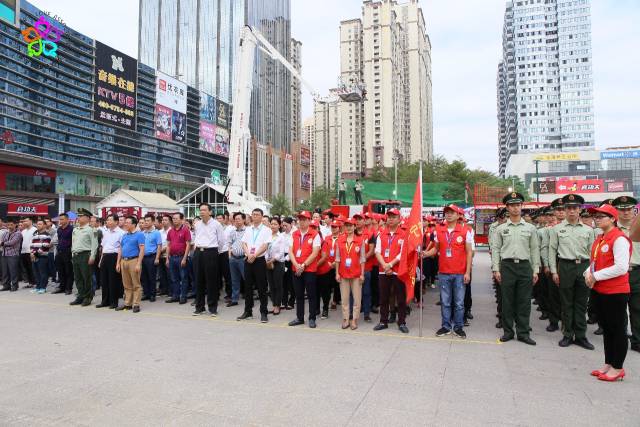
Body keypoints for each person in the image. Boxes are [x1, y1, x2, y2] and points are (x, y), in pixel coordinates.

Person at [586, 204, 631, 381]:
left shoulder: (618, 239)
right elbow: (595, 262)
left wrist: (595, 275)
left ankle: (618, 367)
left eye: (601, 216)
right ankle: (608, 363)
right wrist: (588, 273)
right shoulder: (600, 238)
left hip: (615, 291)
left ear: (612, 219)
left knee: (618, 329)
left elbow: (621, 267)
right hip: (600, 289)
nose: (597, 219)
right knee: (607, 329)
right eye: (595, 216)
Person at [491, 192, 540, 345]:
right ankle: (508, 332)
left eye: (518, 205)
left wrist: (535, 269)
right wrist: (496, 269)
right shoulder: (501, 229)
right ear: (507, 208)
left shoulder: (530, 228)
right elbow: (496, 249)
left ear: (521, 206)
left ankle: (523, 332)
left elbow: (534, 249)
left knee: (524, 301)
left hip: (525, 266)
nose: (515, 208)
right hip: (507, 266)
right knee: (507, 301)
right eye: (512, 205)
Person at [548, 194, 595, 350]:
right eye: (568, 208)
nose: (572, 211)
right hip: (565, 266)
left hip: (583, 266)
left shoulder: (589, 230)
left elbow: (593, 254)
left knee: (581, 303)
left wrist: (592, 273)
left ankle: (581, 336)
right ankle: (568, 334)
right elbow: (552, 250)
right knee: (566, 303)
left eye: (575, 208)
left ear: (580, 210)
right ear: (565, 210)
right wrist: (554, 271)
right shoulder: (556, 229)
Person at [427, 205, 473, 339]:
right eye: (447, 212)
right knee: (445, 302)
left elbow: (469, 252)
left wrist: (467, 272)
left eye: (452, 213)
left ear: (458, 215)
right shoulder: (439, 230)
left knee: (459, 303)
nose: (449, 215)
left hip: (459, 273)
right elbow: (435, 250)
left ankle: (458, 327)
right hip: (443, 272)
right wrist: (424, 253)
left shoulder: (465, 231)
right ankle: (446, 326)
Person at [373, 208, 409, 334]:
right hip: (383, 270)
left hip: (398, 270)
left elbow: (403, 253)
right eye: (389, 217)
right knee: (384, 297)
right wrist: (384, 265)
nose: (391, 219)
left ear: (399, 219)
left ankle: (402, 322)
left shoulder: (404, 234)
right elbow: (377, 251)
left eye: (394, 217)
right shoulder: (381, 234)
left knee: (400, 298)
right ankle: (383, 321)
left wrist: (390, 264)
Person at [612, 196, 640, 353]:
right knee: (619, 310)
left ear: (634, 210)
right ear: (617, 211)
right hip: (618, 274)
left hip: (637, 272)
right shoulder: (611, 229)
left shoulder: (639, 227)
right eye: (622, 210)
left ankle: (637, 340)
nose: (625, 212)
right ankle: (620, 339)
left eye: (628, 209)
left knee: (637, 309)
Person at [288, 211, 322, 328]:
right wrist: (296, 265)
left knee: (312, 295)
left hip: (309, 270)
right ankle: (300, 317)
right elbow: (290, 251)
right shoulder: (294, 234)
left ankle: (312, 318)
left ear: (309, 221)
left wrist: (303, 265)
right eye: (300, 219)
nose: (301, 222)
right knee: (299, 295)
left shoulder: (315, 234)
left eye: (304, 220)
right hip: (296, 269)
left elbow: (315, 252)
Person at [238, 208, 272, 323]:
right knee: (248, 286)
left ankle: (264, 312)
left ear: (262, 217)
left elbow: (265, 245)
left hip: (259, 260)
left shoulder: (266, 230)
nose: (255, 216)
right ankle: (248, 311)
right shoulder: (248, 229)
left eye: (257, 214)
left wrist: (255, 255)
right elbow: (243, 243)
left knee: (261, 287)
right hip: (248, 260)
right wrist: (248, 254)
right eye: (253, 214)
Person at [192, 203, 225, 316]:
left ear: (210, 212)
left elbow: (221, 241)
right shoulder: (197, 224)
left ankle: (212, 307)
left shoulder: (217, 224)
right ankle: (199, 307)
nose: (202, 212)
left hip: (211, 252)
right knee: (198, 280)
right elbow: (196, 238)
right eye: (200, 210)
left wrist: (215, 252)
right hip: (198, 253)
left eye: (204, 210)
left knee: (211, 281)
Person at [334, 218, 366, 330]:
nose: (348, 227)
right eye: (347, 225)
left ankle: (354, 319)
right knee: (344, 298)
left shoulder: (360, 240)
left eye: (351, 225)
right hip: (343, 274)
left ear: (354, 226)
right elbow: (337, 258)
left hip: (356, 274)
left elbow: (362, 259)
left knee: (357, 299)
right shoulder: (339, 241)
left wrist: (362, 274)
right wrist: (337, 273)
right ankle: (346, 319)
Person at [70, 209, 98, 306]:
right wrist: (72, 254)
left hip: (85, 255)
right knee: (78, 278)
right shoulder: (75, 230)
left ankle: (88, 297)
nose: (79, 218)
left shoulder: (91, 230)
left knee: (87, 278)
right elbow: (73, 243)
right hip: (76, 255)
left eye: (81, 216)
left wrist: (92, 256)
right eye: (78, 216)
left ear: (87, 218)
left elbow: (95, 244)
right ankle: (80, 295)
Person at [116, 216, 145, 313]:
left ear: (133, 224)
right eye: (125, 222)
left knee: (136, 284)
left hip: (134, 260)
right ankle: (127, 303)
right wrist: (118, 263)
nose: (125, 224)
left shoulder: (139, 235)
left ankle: (136, 304)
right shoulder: (124, 235)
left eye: (128, 222)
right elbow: (120, 249)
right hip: (124, 261)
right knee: (126, 284)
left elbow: (142, 250)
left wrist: (138, 264)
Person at [97, 214, 124, 309]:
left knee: (113, 280)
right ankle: (105, 301)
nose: (107, 221)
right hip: (105, 256)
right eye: (107, 220)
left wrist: (118, 262)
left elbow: (121, 248)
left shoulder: (121, 233)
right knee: (104, 280)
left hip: (114, 256)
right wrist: (101, 260)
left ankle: (114, 302)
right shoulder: (106, 232)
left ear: (116, 222)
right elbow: (104, 247)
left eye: (110, 220)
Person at [316, 219, 341, 319]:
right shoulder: (327, 238)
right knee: (324, 288)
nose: (333, 228)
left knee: (336, 285)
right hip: (326, 265)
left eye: (335, 227)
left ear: (339, 228)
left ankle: (335, 301)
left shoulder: (342, 238)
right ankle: (319, 308)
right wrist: (329, 263)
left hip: (337, 264)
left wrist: (335, 263)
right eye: (332, 227)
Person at [166, 213, 192, 305]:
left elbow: (188, 245)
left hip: (181, 257)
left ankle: (183, 296)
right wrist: (167, 258)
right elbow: (168, 245)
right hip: (172, 257)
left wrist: (185, 258)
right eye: (173, 218)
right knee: (174, 278)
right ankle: (175, 296)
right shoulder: (170, 231)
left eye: (176, 218)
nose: (174, 220)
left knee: (183, 278)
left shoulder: (185, 230)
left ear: (181, 220)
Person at [265, 217, 287, 315]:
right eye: (271, 224)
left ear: (279, 225)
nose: (273, 226)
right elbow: (264, 249)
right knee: (271, 285)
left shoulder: (281, 237)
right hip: (268, 262)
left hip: (278, 263)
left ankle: (278, 305)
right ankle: (274, 305)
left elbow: (281, 252)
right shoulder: (267, 236)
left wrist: (272, 260)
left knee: (278, 285)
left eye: (275, 224)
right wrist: (267, 260)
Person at [140, 214, 162, 302]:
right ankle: (146, 293)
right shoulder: (142, 233)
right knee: (143, 277)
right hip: (142, 257)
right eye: (145, 221)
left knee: (151, 277)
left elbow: (159, 246)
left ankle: (152, 294)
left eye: (148, 220)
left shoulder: (156, 233)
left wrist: (157, 258)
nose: (146, 222)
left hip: (151, 256)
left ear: (153, 222)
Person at [226, 212, 246, 307]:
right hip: (233, 259)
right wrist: (230, 255)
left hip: (243, 258)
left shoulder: (248, 231)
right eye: (236, 219)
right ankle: (234, 299)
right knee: (234, 280)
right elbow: (229, 244)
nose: (237, 221)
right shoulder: (232, 232)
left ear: (243, 220)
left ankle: (249, 298)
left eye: (239, 219)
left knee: (246, 279)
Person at [30, 219, 51, 294]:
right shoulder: (35, 234)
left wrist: (35, 254)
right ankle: (37, 287)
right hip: (34, 256)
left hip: (42, 257)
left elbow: (45, 246)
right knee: (36, 273)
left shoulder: (47, 235)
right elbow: (32, 245)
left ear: (45, 225)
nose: (38, 225)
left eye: (40, 224)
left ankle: (43, 287)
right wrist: (32, 253)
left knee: (43, 273)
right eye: (37, 224)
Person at [54, 213, 74, 294]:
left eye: (62, 219)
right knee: (60, 270)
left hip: (68, 252)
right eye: (60, 219)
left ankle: (69, 288)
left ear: (67, 219)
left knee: (68, 270)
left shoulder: (72, 229)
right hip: (60, 251)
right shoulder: (59, 229)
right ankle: (62, 287)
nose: (60, 221)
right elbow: (59, 240)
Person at [0, 218, 22, 291]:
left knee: (13, 271)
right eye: (8, 225)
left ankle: (15, 285)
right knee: (5, 271)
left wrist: (3, 243)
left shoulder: (18, 233)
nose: (9, 226)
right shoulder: (5, 233)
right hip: (4, 254)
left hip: (13, 255)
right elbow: (2, 241)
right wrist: (3, 243)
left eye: (11, 225)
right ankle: (6, 285)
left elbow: (12, 242)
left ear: (15, 225)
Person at [281, 217, 296, 310]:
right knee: (283, 281)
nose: (284, 227)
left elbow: (293, 249)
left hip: (291, 259)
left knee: (291, 281)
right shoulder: (281, 235)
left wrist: (287, 258)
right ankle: (284, 301)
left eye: (286, 225)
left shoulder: (294, 234)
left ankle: (291, 301)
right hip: (281, 257)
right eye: (283, 225)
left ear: (291, 224)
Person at [157, 215, 171, 296]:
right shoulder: (159, 232)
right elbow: (158, 243)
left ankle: (170, 290)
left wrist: (163, 250)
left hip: (167, 255)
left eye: (166, 220)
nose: (163, 221)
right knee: (162, 274)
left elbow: (170, 244)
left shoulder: (171, 231)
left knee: (169, 274)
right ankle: (164, 289)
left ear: (169, 221)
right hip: (160, 255)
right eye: (162, 220)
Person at [20, 217, 36, 288]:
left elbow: (35, 241)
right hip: (23, 252)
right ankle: (30, 283)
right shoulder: (23, 231)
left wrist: (33, 251)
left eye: (26, 221)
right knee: (27, 268)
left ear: (31, 221)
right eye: (24, 221)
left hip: (31, 252)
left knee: (32, 268)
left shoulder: (34, 230)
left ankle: (35, 282)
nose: (24, 222)